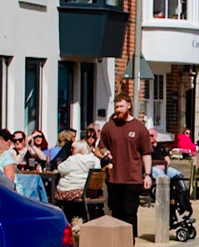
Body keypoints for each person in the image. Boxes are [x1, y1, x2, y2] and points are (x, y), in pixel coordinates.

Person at [98, 97, 152, 236]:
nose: (118, 110)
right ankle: (117, 242)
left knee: (130, 212)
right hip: (114, 177)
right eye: (116, 107)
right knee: (115, 211)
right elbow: (101, 147)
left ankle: (130, 241)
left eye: (121, 106)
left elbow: (146, 153)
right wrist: (105, 152)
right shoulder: (109, 127)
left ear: (129, 105)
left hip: (132, 178)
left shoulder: (139, 128)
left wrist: (147, 175)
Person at [53, 139, 102, 206]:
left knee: (54, 194)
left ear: (80, 149)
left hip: (70, 191)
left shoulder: (73, 159)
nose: (71, 150)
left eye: (73, 148)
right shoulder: (95, 160)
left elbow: (61, 169)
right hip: (89, 191)